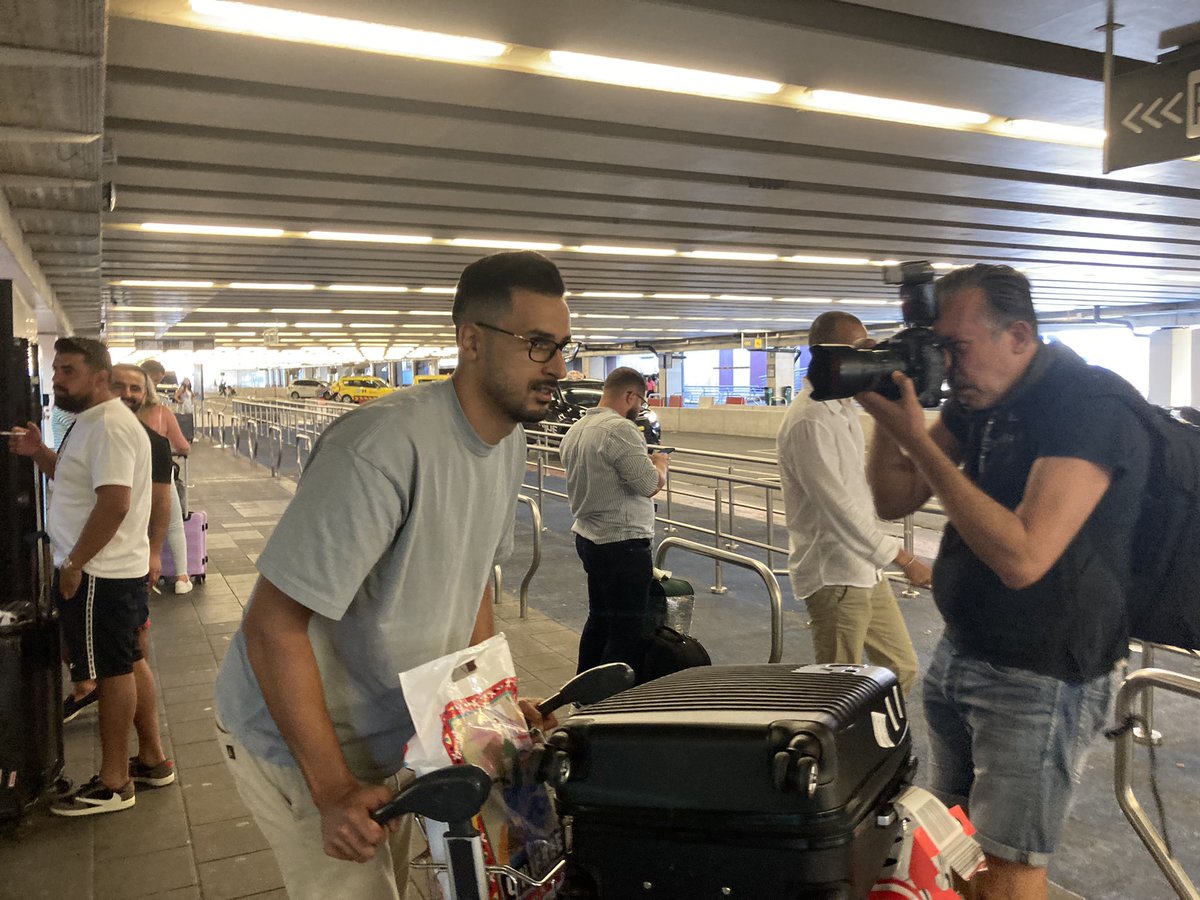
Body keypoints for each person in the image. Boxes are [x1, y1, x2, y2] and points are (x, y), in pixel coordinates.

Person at [212, 251, 573, 900]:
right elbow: (272, 626)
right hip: (304, 741)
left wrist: (488, 709)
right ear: (471, 340)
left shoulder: (508, 440)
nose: (558, 366)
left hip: (402, 734)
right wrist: (332, 790)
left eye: (564, 347)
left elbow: (472, 587)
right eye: (537, 344)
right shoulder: (380, 448)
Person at [858, 264, 1150, 900]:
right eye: (940, 348)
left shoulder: (1087, 404)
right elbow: (892, 496)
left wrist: (919, 439)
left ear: (1018, 335)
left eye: (956, 347)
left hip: (1041, 672)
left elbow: (1023, 557)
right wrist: (887, 415)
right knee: (954, 839)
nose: (949, 366)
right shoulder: (982, 398)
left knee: (1009, 868)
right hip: (964, 651)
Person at [8, 337, 152, 816]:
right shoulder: (88, 424)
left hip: (98, 572)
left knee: (112, 672)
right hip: (98, 569)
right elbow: (76, 483)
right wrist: (39, 454)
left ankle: (115, 782)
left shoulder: (109, 426)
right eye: (55, 370)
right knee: (120, 663)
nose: (56, 378)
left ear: (98, 377)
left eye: (67, 370)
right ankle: (141, 763)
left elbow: (114, 502)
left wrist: (74, 565)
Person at [777, 312, 925, 695]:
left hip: (863, 570)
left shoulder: (841, 409)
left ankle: (872, 745)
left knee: (901, 668)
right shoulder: (810, 419)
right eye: (861, 351)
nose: (869, 361)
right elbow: (837, 508)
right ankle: (837, 755)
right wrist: (903, 559)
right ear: (833, 355)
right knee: (837, 694)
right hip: (835, 575)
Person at [559, 367, 669, 675]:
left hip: (590, 538)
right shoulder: (621, 430)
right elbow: (649, 485)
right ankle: (612, 704)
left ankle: (582, 693)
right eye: (641, 401)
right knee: (626, 631)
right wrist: (660, 464)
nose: (640, 409)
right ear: (629, 396)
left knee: (600, 619)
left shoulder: (577, 429)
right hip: (623, 545)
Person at [138, 373, 193, 594]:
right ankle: (181, 577)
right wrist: (164, 450)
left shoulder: (120, 416)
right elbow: (183, 446)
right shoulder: (161, 413)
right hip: (161, 476)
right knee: (173, 524)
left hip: (130, 479)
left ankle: (140, 574)